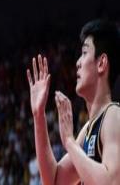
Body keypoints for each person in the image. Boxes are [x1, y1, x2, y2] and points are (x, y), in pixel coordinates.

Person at [27, 19, 120, 184]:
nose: (77, 63)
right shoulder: (89, 128)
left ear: (101, 63)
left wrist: (70, 142)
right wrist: (38, 115)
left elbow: (111, 182)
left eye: (84, 53)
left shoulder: (114, 115)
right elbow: (53, 181)